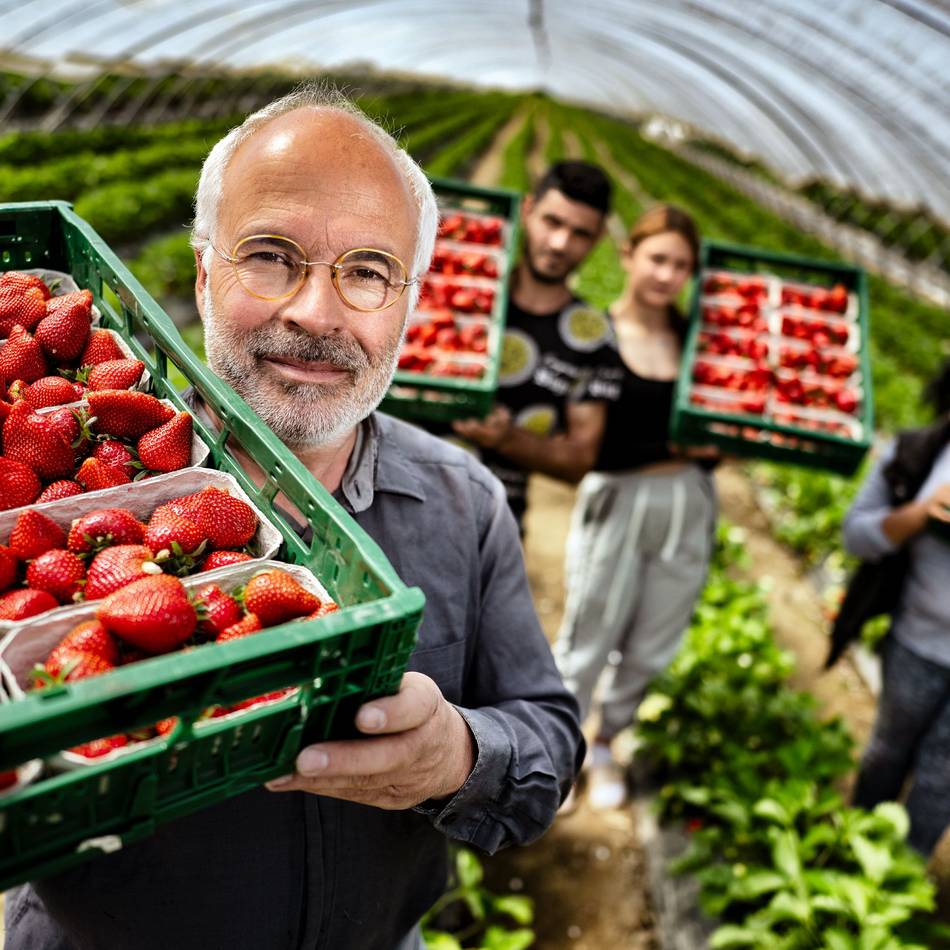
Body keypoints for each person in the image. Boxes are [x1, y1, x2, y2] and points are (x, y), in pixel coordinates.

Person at [5, 87, 584, 950]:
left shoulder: (464, 503)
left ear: (408, 304)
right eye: (271, 256)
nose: (316, 314)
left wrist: (454, 755)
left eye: (365, 271)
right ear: (203, 274)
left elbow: (547, 743)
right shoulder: (34, 499)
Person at [552, 205, 718, 811]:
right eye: (657, 258)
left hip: (687, 502)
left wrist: (714, 448)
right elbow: (589, 443)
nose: (667, 274)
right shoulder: (596, 334)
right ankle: (562, 748)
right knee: (591, 630)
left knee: (654, 639)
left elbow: (722, 428)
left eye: (681, 264)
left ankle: (608, 741)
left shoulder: (698, 342)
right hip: (619, 498)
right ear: (628, 256)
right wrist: (671, 443)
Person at [451, 161, 621, 532]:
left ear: (598, 238)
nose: (560, 243)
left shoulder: (592, 337)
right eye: (552, 222)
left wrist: (508, 438)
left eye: (579, 233)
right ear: (528, 210)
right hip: (389, 488)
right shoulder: (465, 295)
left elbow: (579, 458)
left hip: (493, 521)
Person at [842, 360, 950, 857]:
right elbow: (857, 535)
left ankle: (901, 876)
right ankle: (855, 852)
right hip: (917, 643)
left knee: (941, 779)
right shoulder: (919, 453)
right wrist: (918, 516)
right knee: (887, 753)